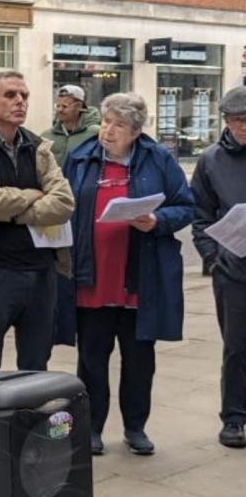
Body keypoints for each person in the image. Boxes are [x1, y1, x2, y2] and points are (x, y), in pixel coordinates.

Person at [56, 93, 194, 456]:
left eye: (118, 125)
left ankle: (135, 427)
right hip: (92, 278)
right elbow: (61, 203)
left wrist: (158, 220)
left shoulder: (158, 158)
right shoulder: (81, 157)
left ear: (135, 131)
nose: (108, 130)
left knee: (139, 361)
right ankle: (92, 428)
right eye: (105, 122)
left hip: (139, 280)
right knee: (91, 359)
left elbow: (185, 205)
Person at [0, 71, 75, 377]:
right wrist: (33, 195)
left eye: (24, 96)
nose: (20, 101)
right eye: (10, 95)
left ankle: (28, 412)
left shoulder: (39, 147)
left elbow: (63, 203)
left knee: (36, 369)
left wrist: (17, 214)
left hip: (42, 271)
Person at [192, 85, 246, 449]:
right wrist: (213, 258)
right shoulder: (211, 160)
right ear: (225, 121)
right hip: (233, 269)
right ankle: (234, 418)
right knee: (237, 347)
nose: (242, 127)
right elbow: (200, 214)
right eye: (236, 120)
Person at [41, 84, 102, 166]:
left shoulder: (95, 134)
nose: (60, 110)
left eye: (65, 106)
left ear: (79, 106)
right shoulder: (46, 136)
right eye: (57, 106)